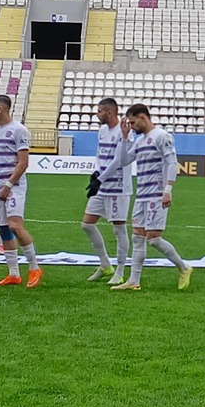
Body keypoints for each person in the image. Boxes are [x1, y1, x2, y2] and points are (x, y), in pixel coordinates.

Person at [111, 104, 190, 291]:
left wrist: (168, 189)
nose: (131, 126)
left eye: (132, 122)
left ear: (142, 117)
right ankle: (133, 281)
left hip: (156, 195)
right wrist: (123, 137)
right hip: (142, 195)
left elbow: (172, 163)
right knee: (138, 237)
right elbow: (123, 161)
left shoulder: (162, 136)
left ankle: (184, 267)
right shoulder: (138, 141)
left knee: (153, 238)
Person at [0, 92, 41, 289]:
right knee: (4, 229)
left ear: (0, 108)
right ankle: (13, 273)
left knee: (15, 226)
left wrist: (7, 186)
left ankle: (34, 267)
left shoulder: (18, 130)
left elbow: (23, 163)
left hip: (14, 187)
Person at [78, 96, 132, 281]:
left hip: (118, 187)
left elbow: (119, 160)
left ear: (110, 112)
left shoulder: (124, 132)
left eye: (100, 111)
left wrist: (99, 179)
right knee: (87, 224)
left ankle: (120, 271)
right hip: (102, 185)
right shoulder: (102, 131)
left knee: (119, 229)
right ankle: (105, 265)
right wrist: (95, 173)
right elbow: (99, 154)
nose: (97, 114)